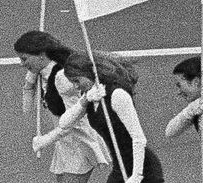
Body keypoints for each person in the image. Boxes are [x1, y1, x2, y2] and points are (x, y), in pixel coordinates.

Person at [50, 52, 162, 183]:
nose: (75, 86)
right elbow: (64, 123)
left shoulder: (117, 95)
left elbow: (139, 139)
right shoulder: (92, 94)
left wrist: (137, 176)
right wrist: (85, 100)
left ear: (90, 74)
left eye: (77, 80)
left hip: (143, 169)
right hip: (120, 167)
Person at [16, 30, 109, 183]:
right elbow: (27, 110)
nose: (21, 64)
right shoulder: (42, 73)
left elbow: (76, 120)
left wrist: (45, 140)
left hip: (78, 141)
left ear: (41, 55)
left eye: (24, 59)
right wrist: (30, 81)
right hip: (65, 142)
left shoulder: (62, 78)